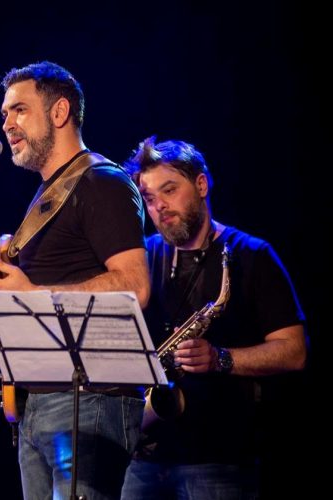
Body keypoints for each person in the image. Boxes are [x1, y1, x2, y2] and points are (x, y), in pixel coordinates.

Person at [0, 61, 150, 500]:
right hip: (39, 403)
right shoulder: (46, 194)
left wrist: (31, 296)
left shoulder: (102, 181)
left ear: (59, 112)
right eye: (5, 114)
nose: (7, 124)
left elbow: (134, 285)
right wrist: (6, 322)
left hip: (90, 401)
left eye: (19, 110)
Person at [120, 136, 307, 499]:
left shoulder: (252, 255)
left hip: (219, 458)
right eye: (149, 198)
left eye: (169, 190)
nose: (159, 206)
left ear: (202, 185)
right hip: (144, 456)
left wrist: (220, 359)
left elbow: (295, 351)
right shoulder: (143, 258)